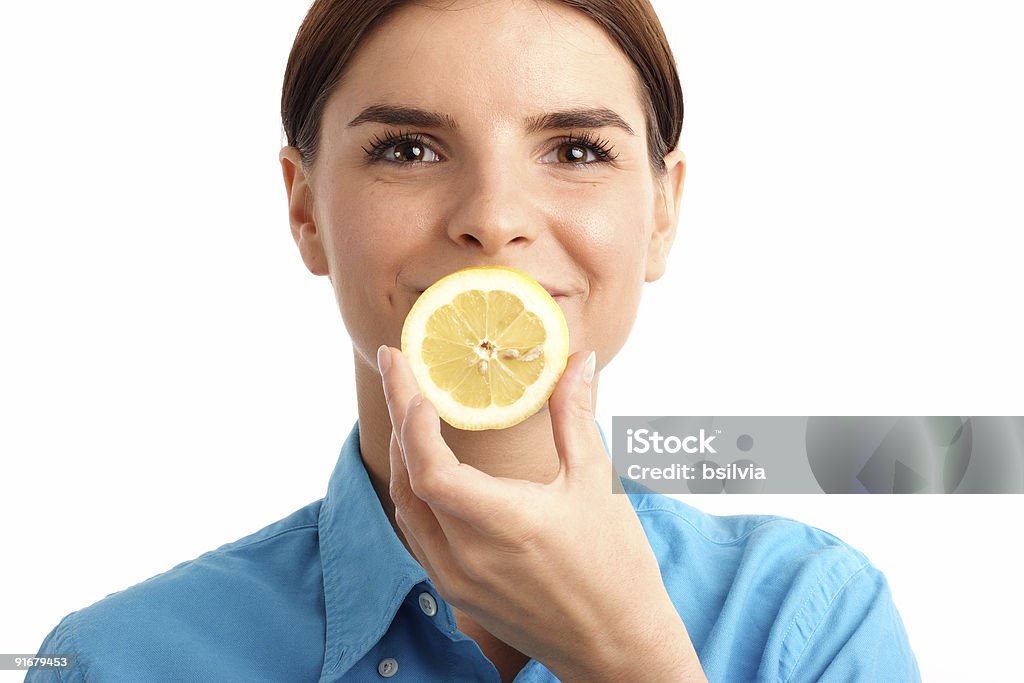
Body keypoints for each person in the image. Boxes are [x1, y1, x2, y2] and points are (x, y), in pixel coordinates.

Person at [28, 1, 920, 681]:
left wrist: (626, 656)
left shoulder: (809, 620)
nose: (493, 221)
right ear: (304, 208)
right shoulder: (120, 659)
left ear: (663, 211)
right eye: (409, 149)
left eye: (575, 151)